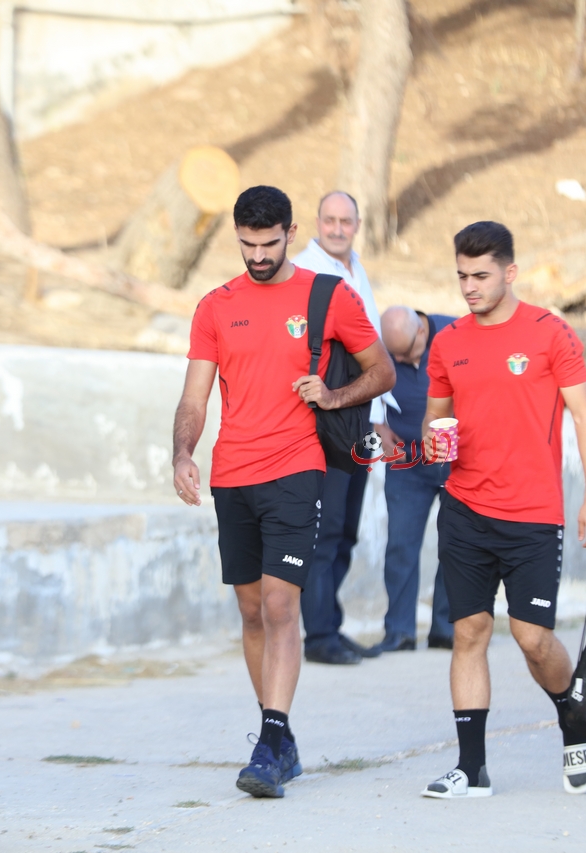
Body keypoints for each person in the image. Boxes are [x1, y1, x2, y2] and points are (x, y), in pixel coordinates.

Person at [172, 185, 394, 798]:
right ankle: (281, 736)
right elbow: (194, 397)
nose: (258, 256)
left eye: (269, 244)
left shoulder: (329, 295)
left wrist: (334, 396)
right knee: (250, 610)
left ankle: (269, 743)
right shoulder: (215, 307)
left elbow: (382, 370)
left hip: (297, 468)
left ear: (291, 233)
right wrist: (183, 452)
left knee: (278, 606)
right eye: (247, 244)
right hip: (232, 475)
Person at [419, 221, 586, 800]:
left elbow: (584, 416)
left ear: (510, 272)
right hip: (465, 509)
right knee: (469, 632)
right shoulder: (448, 341)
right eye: (462, 276)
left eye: (480, 276)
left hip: (532, 514)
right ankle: (471, 768)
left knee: (531, 638)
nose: (469, 287)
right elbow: (435, 417)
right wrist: (432, 440)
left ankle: (574, 718)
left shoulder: (550, 333)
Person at [292, 190, 393, 663]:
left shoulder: (357, 271)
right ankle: (318, 637)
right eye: (329, 220)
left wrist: (379, 419)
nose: (337, 229)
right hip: (323, 422)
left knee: (348, 529)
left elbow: (373, 355)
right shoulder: (304, 272)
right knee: (325, 530)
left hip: (359, 418)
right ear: (317, 222)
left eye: (345, 221)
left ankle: (329, 623)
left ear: (357, 225)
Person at [374, 306, 456, 651]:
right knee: (401, 546)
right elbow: (363, 382)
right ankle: (400, 631)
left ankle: (446, 629)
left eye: (405, 353)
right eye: (392, 353)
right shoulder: (383, 346)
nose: (398, 360)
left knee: (455, 545)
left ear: (421, 332)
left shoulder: (456, 334)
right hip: (406, 461)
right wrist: (377, 424)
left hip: (455, 460)